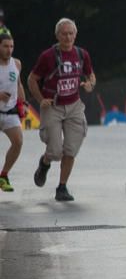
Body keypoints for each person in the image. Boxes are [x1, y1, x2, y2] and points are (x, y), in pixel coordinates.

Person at [27, 18, 96, 202]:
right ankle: (45, 163)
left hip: (74, 105)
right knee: (56, 151)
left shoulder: (82, 54)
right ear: (57, 35)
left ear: (76, 34)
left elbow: (91, 76)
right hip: (53, 106)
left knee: (71, 149)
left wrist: (89, 84)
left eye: (71, 33)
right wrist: (41, 100)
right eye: (64, 34)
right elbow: (32, 79)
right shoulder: (47, 56)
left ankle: (62, 187)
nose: (68, 37)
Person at [0, 33, 25, 192]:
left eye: (11, 46)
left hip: (9, 111)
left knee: (18, 142)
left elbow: (19, 84)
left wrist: (23, 103)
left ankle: (3, 176)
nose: (9, 50)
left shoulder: (16, 63)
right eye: (5, 46)